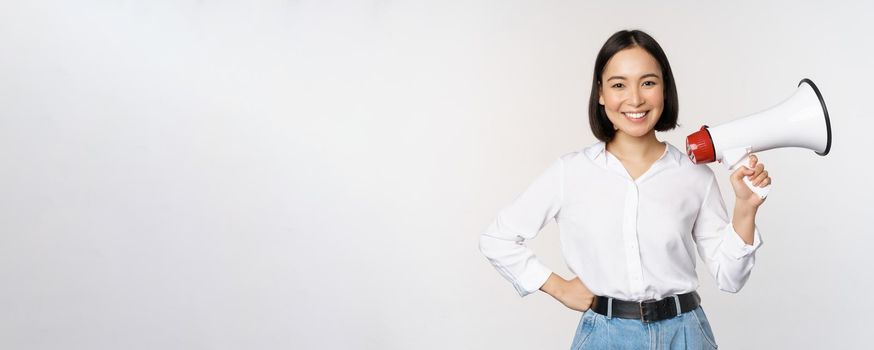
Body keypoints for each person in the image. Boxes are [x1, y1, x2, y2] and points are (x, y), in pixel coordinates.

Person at [478, 29, 770, 350]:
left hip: (686, 335)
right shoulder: (570, 172)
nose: (635, 99)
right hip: (604, 337)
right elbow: (497, 239)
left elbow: (730, 279)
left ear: (664, 89)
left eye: (648, 82)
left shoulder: (694, 175)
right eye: (619, 84)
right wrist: (558, 287)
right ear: (601, 93)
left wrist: (746, 207)